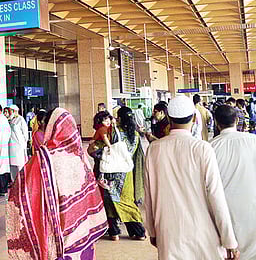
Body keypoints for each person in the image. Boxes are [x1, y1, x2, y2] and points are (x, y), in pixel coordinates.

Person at [144, 95, 239, 260]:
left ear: (168, 117)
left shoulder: (154, 149)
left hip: (169, 233)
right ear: (194, 118)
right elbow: (216, 196)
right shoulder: (202, 149)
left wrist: (152, 231)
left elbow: (149, 195)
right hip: (203, 234)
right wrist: (229, 240)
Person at [6, 108, 108, 259]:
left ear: (51, 128)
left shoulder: (45, 159)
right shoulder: (80, 158)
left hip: (58, 234)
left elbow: (25, 189)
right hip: (82, 233)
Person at [212, 105, 255, 259]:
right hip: (252, 205)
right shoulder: (253, 140)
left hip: (225, 211)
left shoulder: (210, 147)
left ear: (216, 122)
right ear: (237, 120)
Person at [103, 107, 146, 241]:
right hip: (127, 175)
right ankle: (138, 231)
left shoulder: (114, 133)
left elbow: (102, 148)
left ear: (120, 119)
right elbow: (137, 157)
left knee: (110, 201)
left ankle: (114, 232)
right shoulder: (136, 136)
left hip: (112, 173)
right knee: (127, 201)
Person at [87, 111, 113, 179]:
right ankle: (98, 177)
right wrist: (110, 147)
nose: (107, 122)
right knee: (102, 162)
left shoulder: (107, 127)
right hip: (95, 149)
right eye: (104, 120)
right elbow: (105, 138)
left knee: (98, 163)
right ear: (100, 122)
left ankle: (96, 177)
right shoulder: (102, 128)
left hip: (96, 149)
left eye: (108, 119)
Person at [8, 104, 28, 182]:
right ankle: (14, 181)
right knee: (12, 165)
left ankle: (22, 181)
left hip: (19, 146)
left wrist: (23, 144)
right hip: (11, 146)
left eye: (10, 111)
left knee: (19, 164)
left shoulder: (20, 119)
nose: (9, 113)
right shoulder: (10, 120)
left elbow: (25, 133)